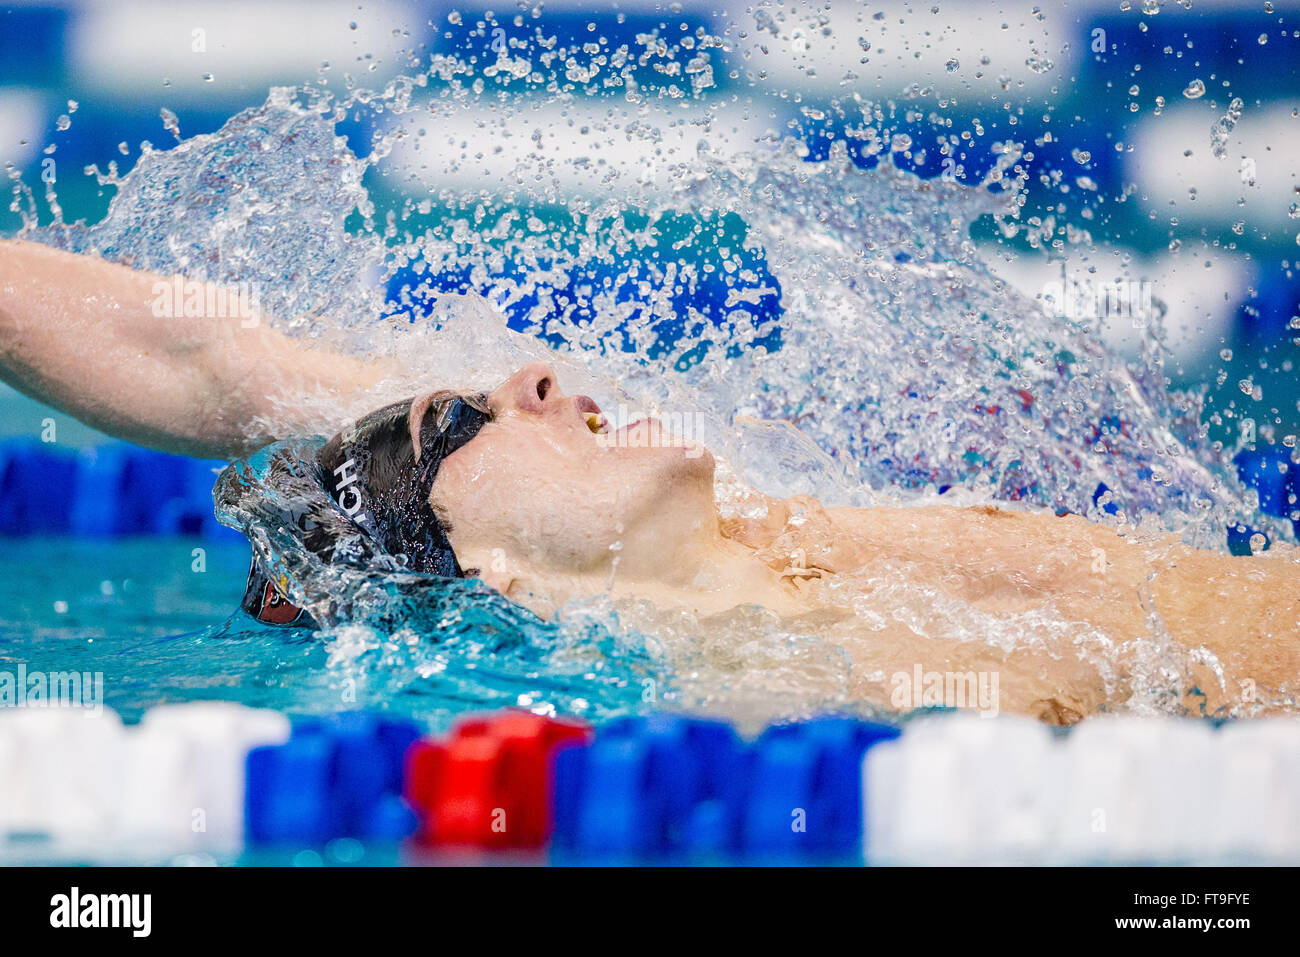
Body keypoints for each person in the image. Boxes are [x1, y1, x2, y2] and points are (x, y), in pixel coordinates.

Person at [2, 238, 1297, 723]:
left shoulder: (766, 529)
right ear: (498, 571)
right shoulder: (787, 685)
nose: (536, 375)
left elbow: (211, 352)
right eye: (472, 415)